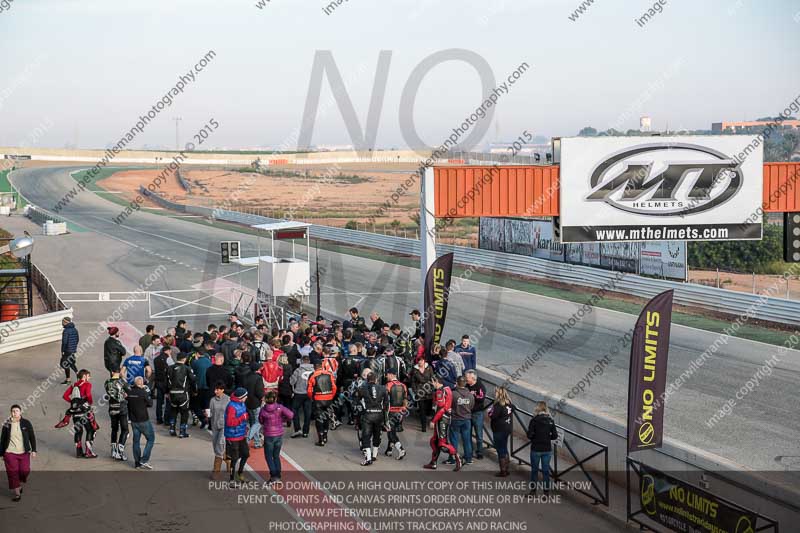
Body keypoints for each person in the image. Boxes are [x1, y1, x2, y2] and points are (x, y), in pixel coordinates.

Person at [424, 375, 461, 471]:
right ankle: (433, 463)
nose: (432, 384)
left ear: (436, 382)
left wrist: (433, 420)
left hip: (441, 420)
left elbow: (441, 409)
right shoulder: (447, 389)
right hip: (445, 418)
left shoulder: (440, 392)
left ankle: (457, 456)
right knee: (434, 441)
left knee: (442, 443)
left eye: (432, 382)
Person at [58, 369, 98, 458]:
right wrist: (89, 403)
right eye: (88, 376)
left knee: (78, 431)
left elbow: (65, 396)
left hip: (75, 413)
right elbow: (88, 395)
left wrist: (74, 403)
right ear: (84, 376)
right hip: (84, 412)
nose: (90, 377)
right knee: (91, 430)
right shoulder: (87, 384)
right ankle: (88, 452)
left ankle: (79, 452)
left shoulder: (74, 385)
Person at [0, 405, 36, 502]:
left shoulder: (26, 423)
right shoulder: (7, 424)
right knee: (13, 473)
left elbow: (32, 437)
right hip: (10, 453)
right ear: (11, 412)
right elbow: (2, 439)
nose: (14, 412)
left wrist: (34, 450)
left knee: (25, 470)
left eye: (16, 411)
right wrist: (1, 453)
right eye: (13, 411)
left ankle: (18, 484)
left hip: (24, 452)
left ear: (20, 412)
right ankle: (17, 493)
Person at [258, 391, 294, 483]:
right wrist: (283, 420)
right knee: (276, 456)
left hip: (269, 434)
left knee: (268, 456)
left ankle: (274, 476)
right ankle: (278, 475)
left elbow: (261, 421)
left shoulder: (263, 410)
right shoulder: (279, 407)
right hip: (278, 434)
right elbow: (291, 415)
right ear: (275, 399)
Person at [526, 401, 558, 495]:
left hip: (536, 448)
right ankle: (546, 492)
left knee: (534, 471)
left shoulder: (534, 420)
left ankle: (533, 491)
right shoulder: (551, 420)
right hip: (547, 449)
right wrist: (547, 437)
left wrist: (535, 437)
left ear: (537, 408)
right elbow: (555, 436)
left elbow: (529, 435)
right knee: (545, 471)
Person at [355, 372, 386, 466]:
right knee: (377, 435)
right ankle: (374, 455)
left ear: (367, 380)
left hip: (367, 414)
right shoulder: (383, 388)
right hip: (379, 414)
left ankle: (368, 458)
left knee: (366, 436)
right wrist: (386, 419)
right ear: (376, 379)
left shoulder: (362, 388)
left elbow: (357, 402)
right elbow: (386, 404)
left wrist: (359, 415)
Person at [127, 376, 155, 469]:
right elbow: (150, 403)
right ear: (142, 383)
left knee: (136, 441)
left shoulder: (130, 392)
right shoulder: (143, 392)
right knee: (151, 439)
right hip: (143, 420)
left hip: (133, 420)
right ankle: (144, 460)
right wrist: (147, 392)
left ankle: (137, 462)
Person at [307, 362, 337, 446]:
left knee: (319, 419)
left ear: (314, 367)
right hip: (328, 399)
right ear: (322, 366)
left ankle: (321, 439)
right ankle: (325, 436)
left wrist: (312, 398)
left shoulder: (313, 375)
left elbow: (309, 390)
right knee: (326, 418)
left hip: (318, 399)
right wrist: (331, 396)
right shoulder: (329, 374)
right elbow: (334, 387)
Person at [167, 352, 196, 438]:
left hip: (172, 393)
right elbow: (193, 380)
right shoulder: (187, 368)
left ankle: (172, 429)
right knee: (184, 412)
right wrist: (195, 390)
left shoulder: (170, 368)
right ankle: (182, 431)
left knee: (173, 411)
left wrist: (166, 392)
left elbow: (166, 381)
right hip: (183, 393)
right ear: (184, 359)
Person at [225, 387, 250, 483]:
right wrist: (242, 418)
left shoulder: (242, 403)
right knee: (234, 458)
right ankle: (232, 479)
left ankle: (240, 473)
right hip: (233, 435)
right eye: (245, 396)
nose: (247, 397)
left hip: (241, 434)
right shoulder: (231, 406)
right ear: (240, 397)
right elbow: (230, 422)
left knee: (246, 454)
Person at [104, 369, 130, 461]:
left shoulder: (107, 382)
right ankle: (120, 451)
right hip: (121, 407)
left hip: (112, 407)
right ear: (119, 372)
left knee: (114, 429)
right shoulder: (122, 381)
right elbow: (129, 391)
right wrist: (124, 394)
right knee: (125, 429)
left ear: (112, 372)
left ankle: (113, 451)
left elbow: (110, 393)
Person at [488, 386, 514, 477]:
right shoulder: (509, 403)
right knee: (504, 448)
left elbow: (493, 416)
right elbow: (514, 408)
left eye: (495, 392)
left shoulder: (498, 405)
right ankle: (506, 468)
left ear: (498, 394)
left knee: (500, 450)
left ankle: (503, 471)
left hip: (499, 429)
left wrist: (489, 411)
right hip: (507, 428)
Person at [448, 377, 474, 465]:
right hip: (467, 419)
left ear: (457, 383)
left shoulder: (453, 394)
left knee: (454, 439)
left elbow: (449, 405)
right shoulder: (470, 395)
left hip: (456, 419)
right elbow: (471, 406)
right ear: (465, 383)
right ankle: (468, 458)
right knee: (467, 440)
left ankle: (453, 458)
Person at [384, 369, 407, 460]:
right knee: (392, 431)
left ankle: (401, 449)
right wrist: (403, 410)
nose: (386, 376)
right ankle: (389, 450)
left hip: (391, 412)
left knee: (390, 433)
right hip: (400, 412)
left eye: (387, 374)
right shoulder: (403, 386)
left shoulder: (388, 385)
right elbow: (405, 399)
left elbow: (385, 400)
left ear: (391, 374)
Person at [208, 382, 230, 480]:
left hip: (224, 426)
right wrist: (207, 415)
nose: (215, 391)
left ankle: (216, 471)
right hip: (215, 426)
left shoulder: (228, 399)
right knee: (216, 446)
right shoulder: (212, 400)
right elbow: (211, 412)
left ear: (222, 390)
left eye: (217, 389)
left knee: (219, 445)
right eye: (215, 389)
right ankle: (228, 460)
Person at [465, 369, 487, 460]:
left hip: (477, 413)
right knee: (467, 433)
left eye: (467, 378)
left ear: (473, 378)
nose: (466, 379)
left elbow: (481, 398)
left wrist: (471, 396)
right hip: (467, 413)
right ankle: (469, 452)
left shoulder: (480, 386)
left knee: (479, 434)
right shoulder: (466, 385)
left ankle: (479, 452)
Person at [244, 362, 266, 448]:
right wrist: (263, 398)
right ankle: (248, 438)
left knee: (253, 423)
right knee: (258, 422)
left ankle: (257, 442)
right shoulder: (258, 378)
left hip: (247, 402)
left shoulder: (246, 376)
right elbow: (259, 391)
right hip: (256, 402)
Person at [409, 356, 433, 432]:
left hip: (428, 391)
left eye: (421, 361)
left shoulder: (429, 368)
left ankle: (427, 422)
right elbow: (413, 382)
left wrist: (431, 388)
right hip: (419, 392)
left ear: (424, 361)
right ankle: (423, 426)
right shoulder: (415, 370)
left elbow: (432, 378)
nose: (420, 362)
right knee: (422, 410)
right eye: (419, 361)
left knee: (427, 409)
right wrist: (415, 391)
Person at [191, 347, 213, 428]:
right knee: (207, 405)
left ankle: (202, 418)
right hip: (207, 386)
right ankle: (210, 422)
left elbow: (192, 372)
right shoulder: (209, 362)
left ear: (197, 354)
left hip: (198, 386)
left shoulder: (195, 362)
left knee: (195, 405)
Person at [60, 317, 79, 385]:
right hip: (72, 350)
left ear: (66, 322)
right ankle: (77, 374)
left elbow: (64, 342)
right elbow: (77, 339)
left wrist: (62, 350)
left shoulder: (66, 331)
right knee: (71, 363)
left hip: (67, 350)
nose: (62, 323)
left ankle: (68, 379)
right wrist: (73, 347)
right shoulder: (75, 329)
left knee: (65, 364)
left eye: (63, 322)